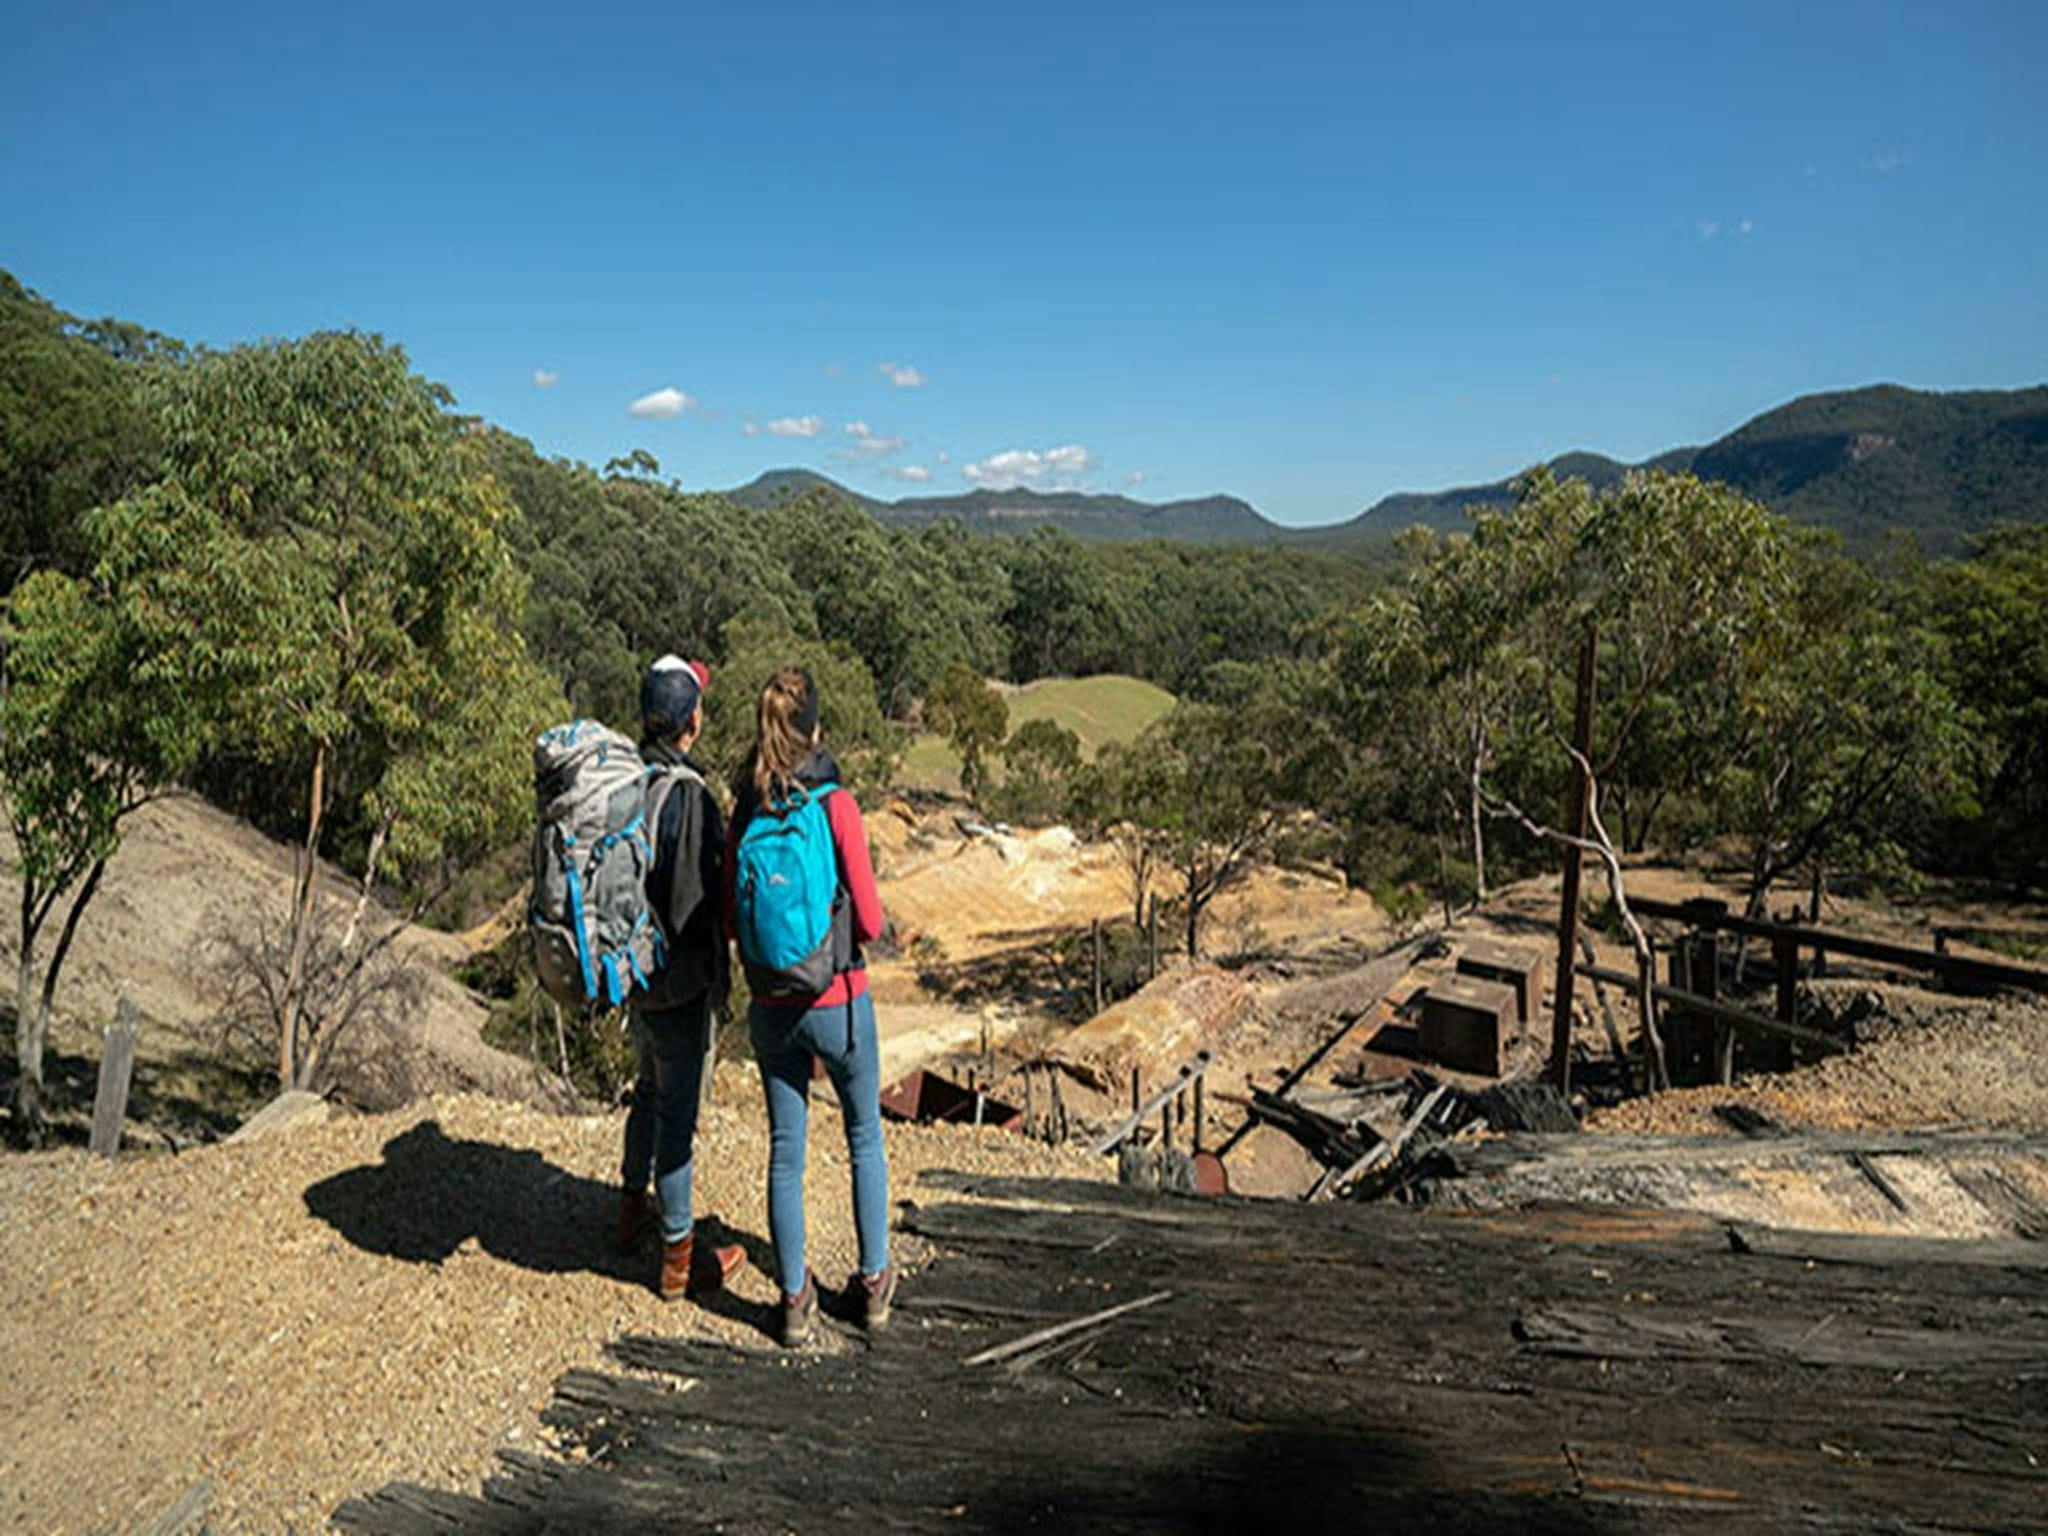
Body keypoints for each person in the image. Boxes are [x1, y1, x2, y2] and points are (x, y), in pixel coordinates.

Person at [728, 666, 893, 1346]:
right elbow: (874, 923)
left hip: (771, 1004)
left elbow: (735, 921)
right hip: (840, 1000)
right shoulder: (836, 805)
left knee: (786, 1154)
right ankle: (874, 1286)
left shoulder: (747, 803)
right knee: (863, 1137)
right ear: (816, 729)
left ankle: (795, 1303)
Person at [618, 654, 745, 1303]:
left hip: (631, 970)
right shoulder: (690, 796)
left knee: (645, 1089)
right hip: (676, 979)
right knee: (676, 1114)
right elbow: (700, 903)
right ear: (691, 720)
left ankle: (628, 1207)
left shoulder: (624, 778)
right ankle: (676, 1258)